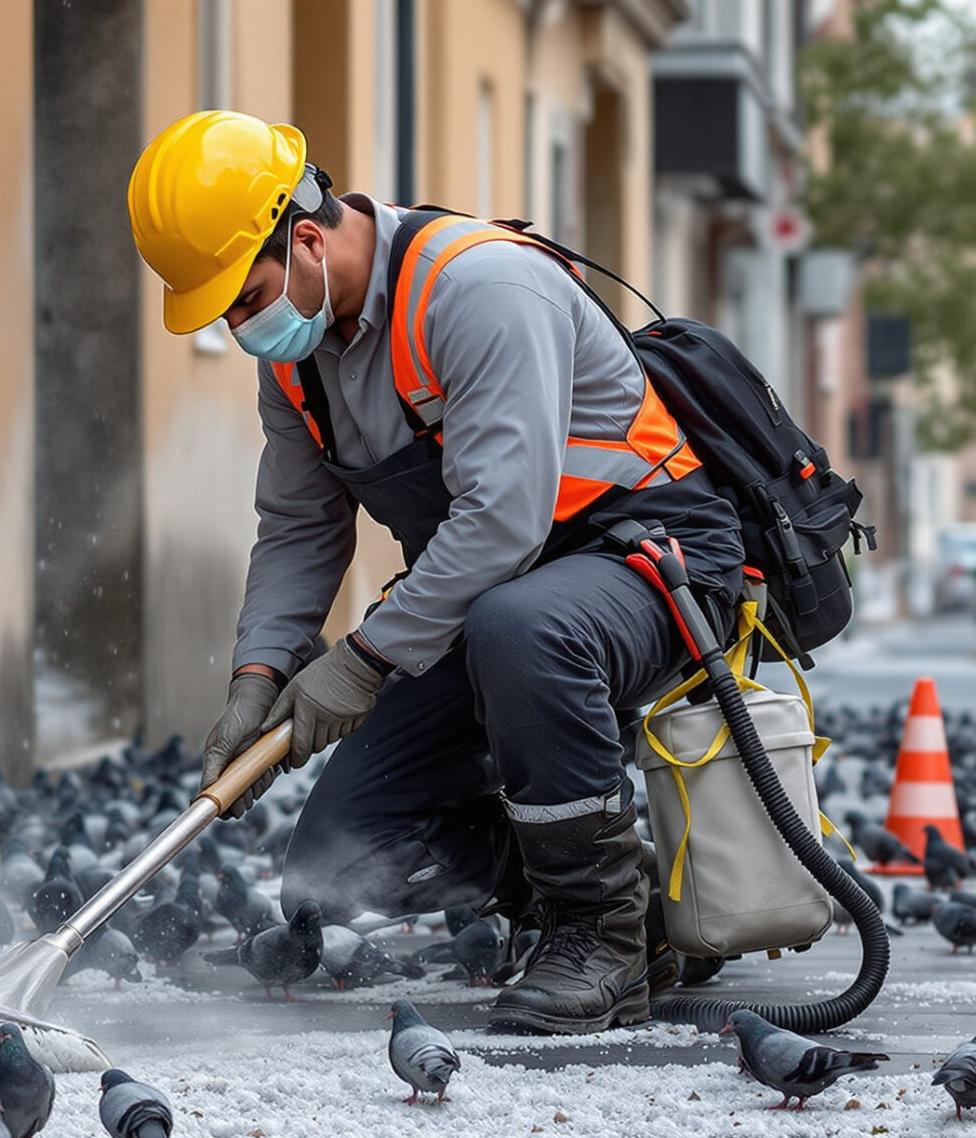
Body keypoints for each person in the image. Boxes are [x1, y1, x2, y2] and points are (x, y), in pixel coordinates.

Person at [126, 110, 744, 1034]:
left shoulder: (480, 289)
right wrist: (258, 678)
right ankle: (640, 914)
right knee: (340, 853)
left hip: (652, 563)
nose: (240, 325)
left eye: (244, 299)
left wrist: (365, 659)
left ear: (304, 237)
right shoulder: (296, 364)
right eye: (223, 314)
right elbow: (299, 529)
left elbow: (503, 515)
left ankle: (599, 936)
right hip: (490, 595)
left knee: (525, 627)